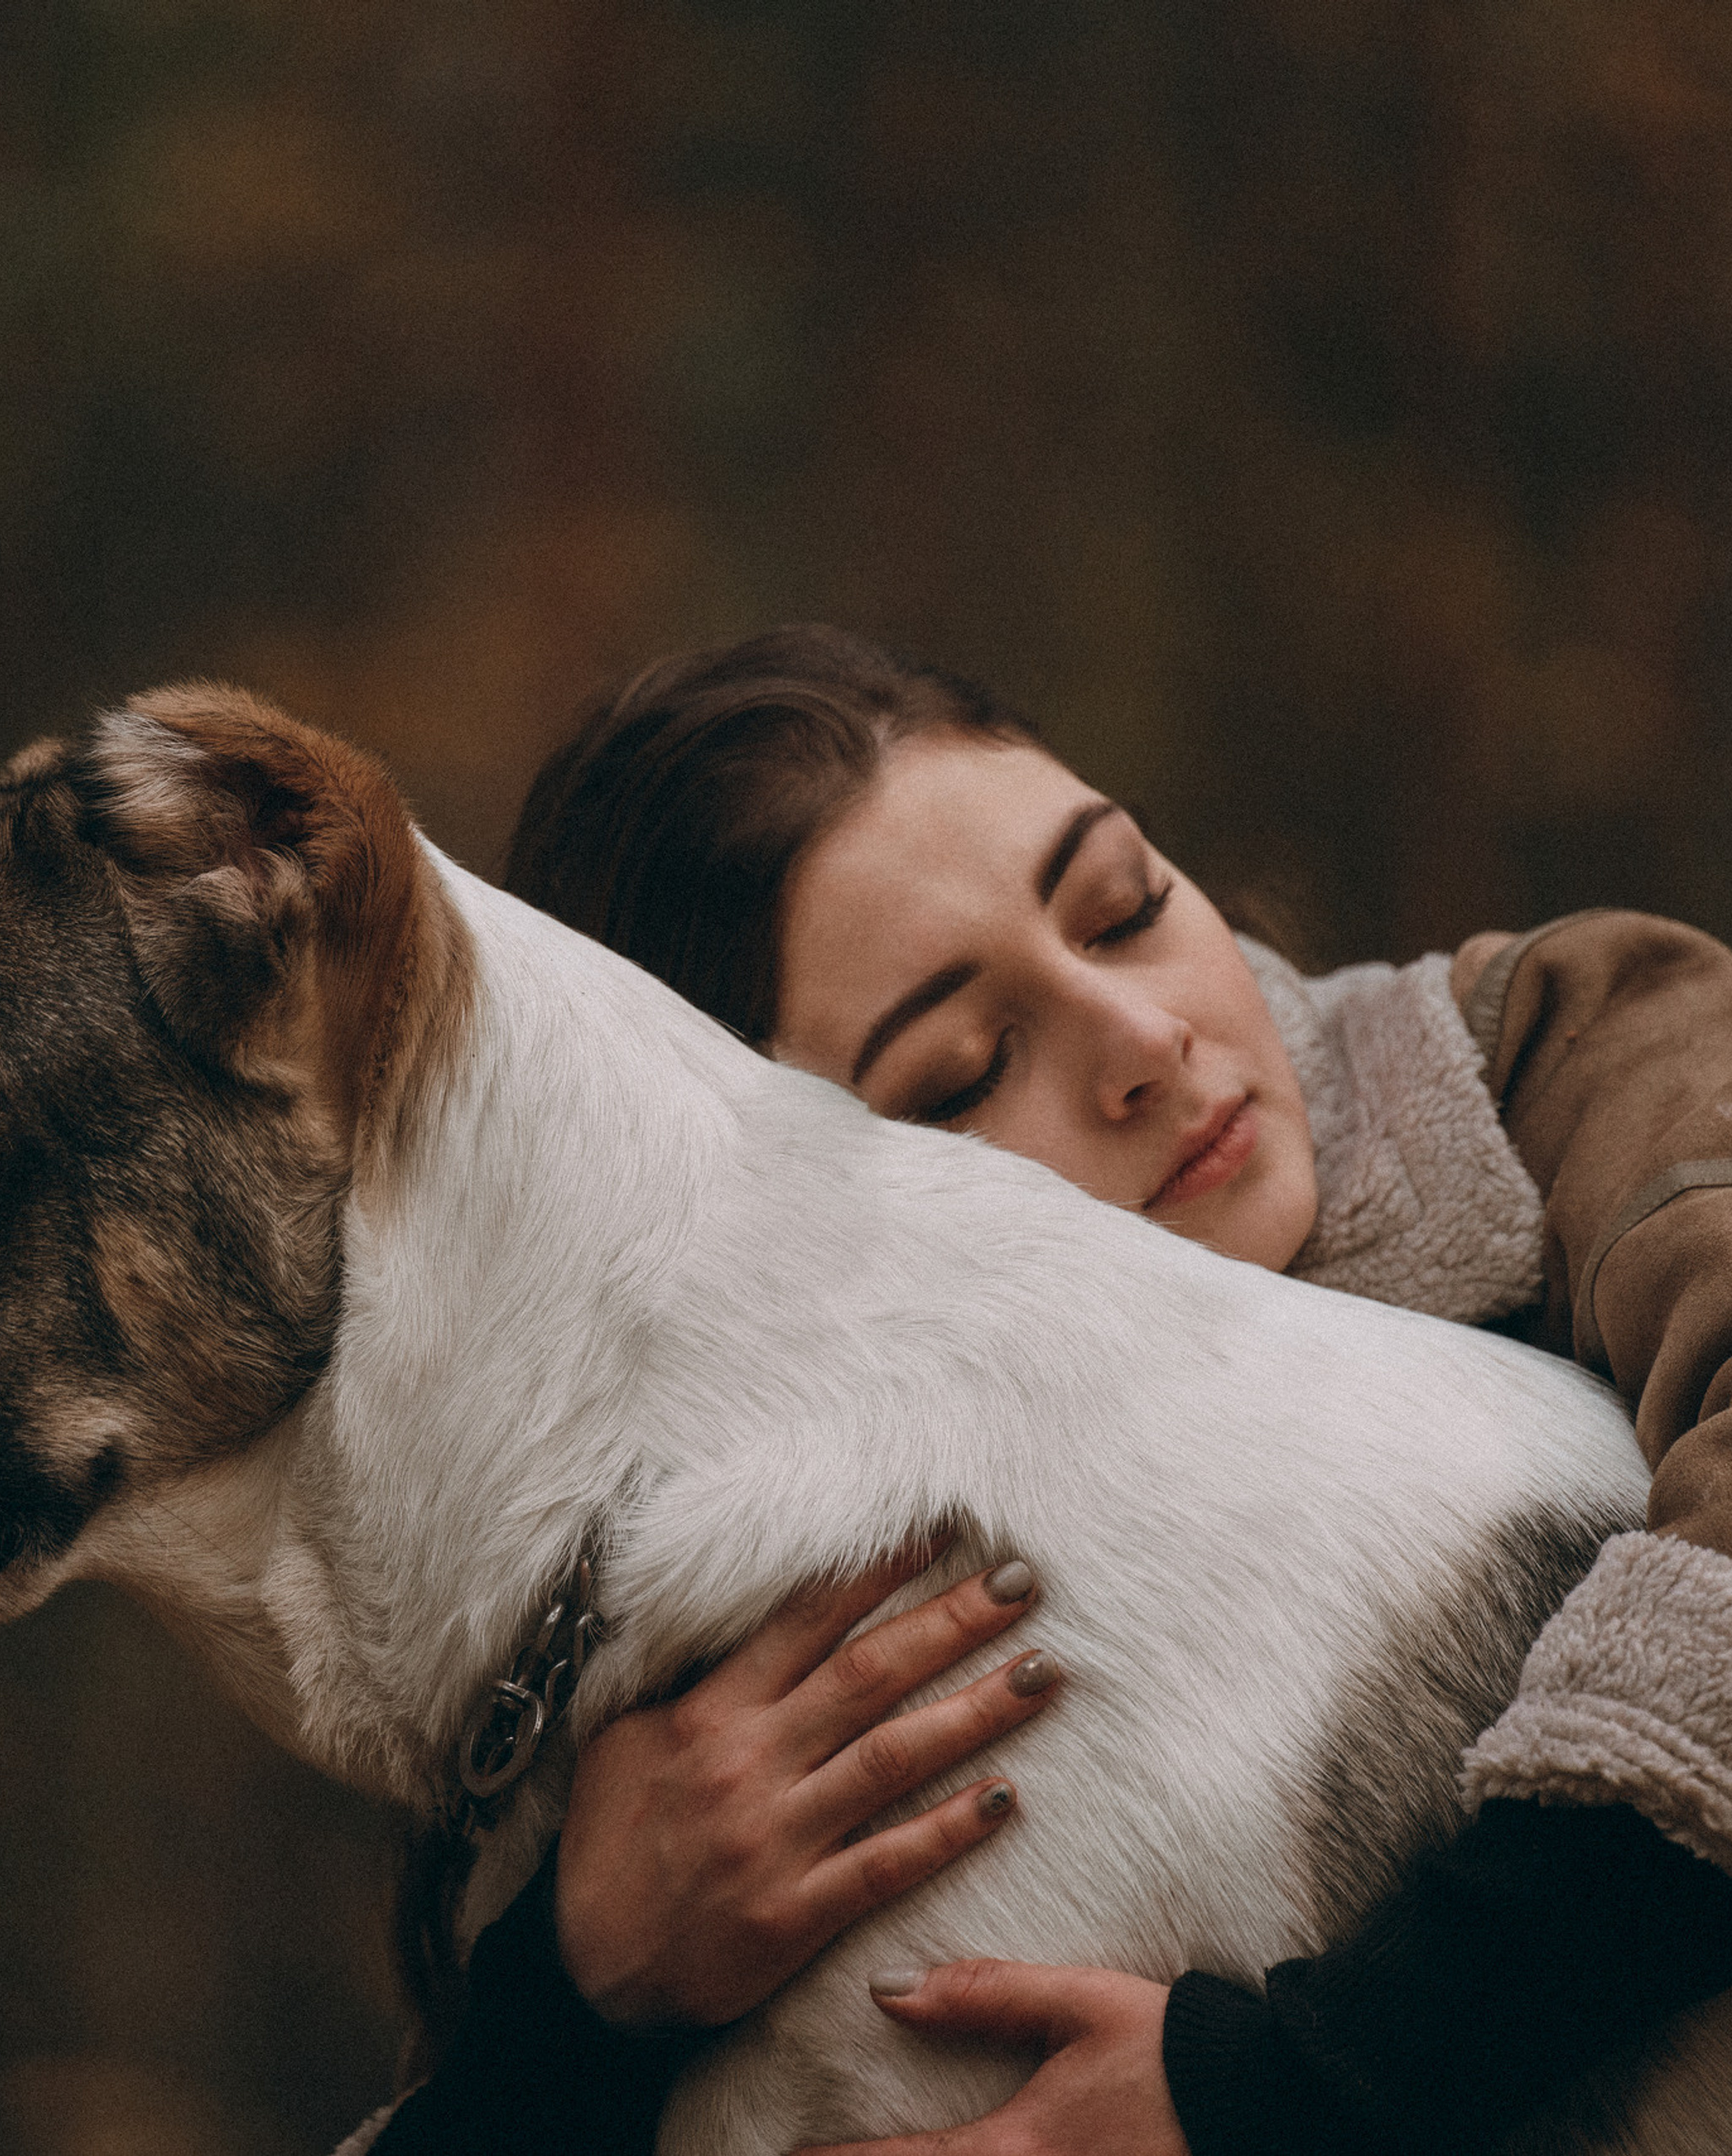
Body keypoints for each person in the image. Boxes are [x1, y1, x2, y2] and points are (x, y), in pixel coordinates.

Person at [364, 625, 1732, 2156]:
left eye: (1124, 907)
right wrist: (576, 2001)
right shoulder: (725, 1625)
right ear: (766, 1232)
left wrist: (1297, 2085)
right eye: (962, 1072)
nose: (1145, 1041)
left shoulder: (1555, 1046)